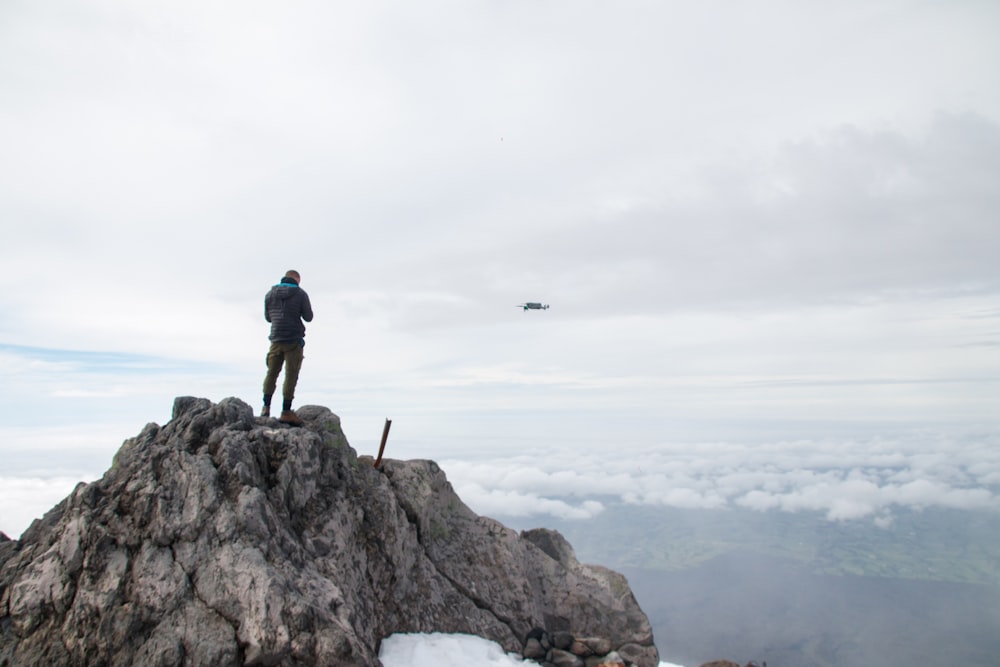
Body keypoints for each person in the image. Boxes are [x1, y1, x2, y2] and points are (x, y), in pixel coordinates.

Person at [261, 270, 313, 425]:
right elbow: (308, 317)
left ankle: (265, 407)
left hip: (276, 338)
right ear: (297, 279)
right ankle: (286, 411)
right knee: (291, 375)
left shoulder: (270, 294)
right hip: (293, 340)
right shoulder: (300, 294)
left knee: (271, 373)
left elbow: (268, 318)